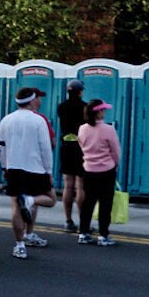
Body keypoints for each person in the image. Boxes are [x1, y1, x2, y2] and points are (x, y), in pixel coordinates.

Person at [0, 87, 58, 259]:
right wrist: (49, 171)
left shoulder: (6, 120)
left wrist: (4, 167)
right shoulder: (38, 121)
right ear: (31, 100)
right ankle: (30, 200)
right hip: (36, 168)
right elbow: (46, 148)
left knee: (16, 208)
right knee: (51, 199)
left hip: (14, 169)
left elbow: (1, 146)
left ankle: (19, 245)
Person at [77, 100, 121, 246]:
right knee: (105, 204)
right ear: (98, 112)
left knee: (88, 203)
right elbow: (116, 151)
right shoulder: (108, 129)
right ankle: (103, 235)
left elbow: (81, 145)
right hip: (106, 171)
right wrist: (115, 165)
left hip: (89, 170)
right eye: (103, 110)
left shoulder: (82, 129)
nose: (105, 112)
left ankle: (83, 233)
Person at [58, 80, 87, 233]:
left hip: (66, 146)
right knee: (80, 185)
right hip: (81, 146)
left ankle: (68, 221)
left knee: (68, 185)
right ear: (80, 92)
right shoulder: (84, 107)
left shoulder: (61, 106)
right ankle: (83, 222)